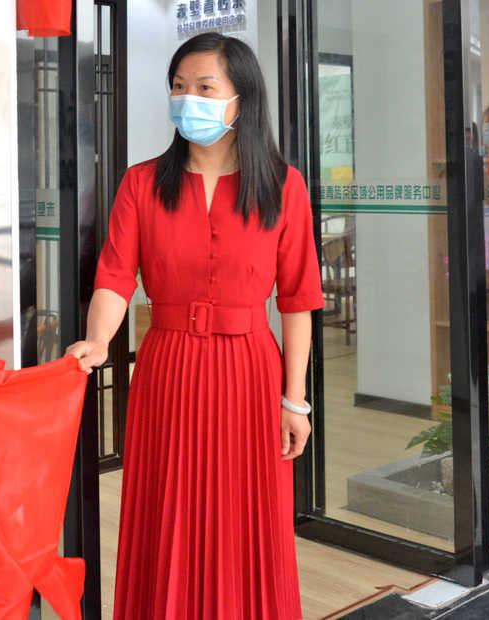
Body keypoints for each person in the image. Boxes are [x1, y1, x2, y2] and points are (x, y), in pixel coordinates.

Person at [66, 32, 322, 619]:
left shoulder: (283, 186)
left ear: (241, 99)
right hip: (168, 369)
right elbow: (114, 277)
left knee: (246, 515)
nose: (189, 100)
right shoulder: (141, 183)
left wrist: (295, 401)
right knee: (169, 511)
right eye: (179, 87)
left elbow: (298, 300)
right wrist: (99, 341)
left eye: (206, 88)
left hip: (250, 372)